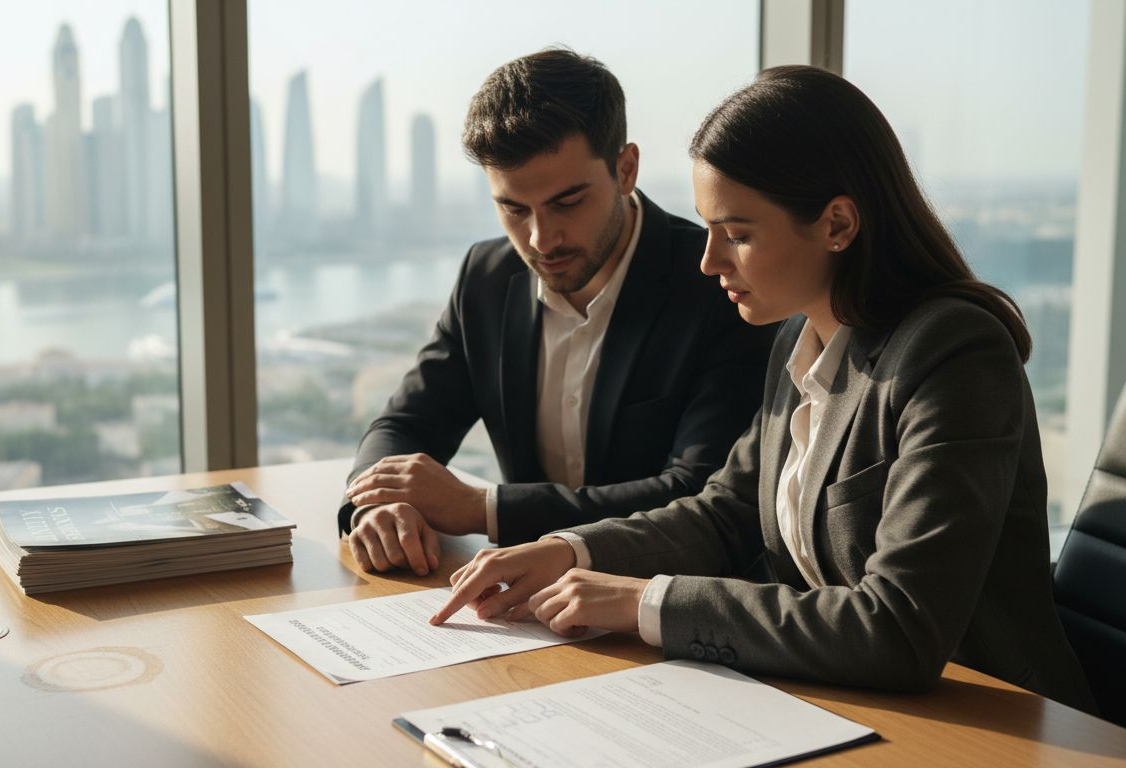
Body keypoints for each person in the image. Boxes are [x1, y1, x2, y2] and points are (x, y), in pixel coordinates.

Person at [430, 65, 1097, 712]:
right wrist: (565, 552)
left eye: (738, 234)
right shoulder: (800, 337)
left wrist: (643, 602)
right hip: (839, 701)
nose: (708, 260)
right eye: (709, 228)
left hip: (990, 721)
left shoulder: (953, 353)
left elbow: (899, 627)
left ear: (837, 224)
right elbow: (726, 512)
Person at [339, 49, 777, 576]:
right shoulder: (487, 276)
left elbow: (700, 492)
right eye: (514, 209)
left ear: (625, 169)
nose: (540, 239)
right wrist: (381, 504)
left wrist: (483, 509)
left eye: (568, 202)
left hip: (668, 603)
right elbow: (406, 423)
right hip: (524, 609)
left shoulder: (718, 284)